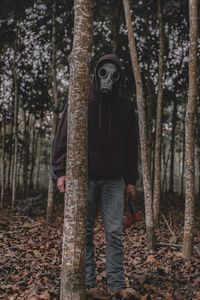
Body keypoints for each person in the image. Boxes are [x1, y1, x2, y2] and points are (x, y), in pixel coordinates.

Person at [52, 53, 139, 299]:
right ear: (95, 73)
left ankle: (116, 285)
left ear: (119, 78)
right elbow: (62, 136)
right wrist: (60, 172)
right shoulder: (81, 101)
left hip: (114, 180)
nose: (108, 79)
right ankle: (88, 285)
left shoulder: (125, 106)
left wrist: (131, 179)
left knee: (114, 232)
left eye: (113, 74)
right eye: (103, 72)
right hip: (85, 179)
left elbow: (131, 144)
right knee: (85, 232)